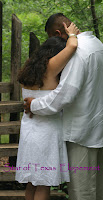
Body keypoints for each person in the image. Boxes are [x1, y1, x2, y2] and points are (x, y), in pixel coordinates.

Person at [24, 13, 103, 200]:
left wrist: (34, 105)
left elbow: (63, 96)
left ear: (58, 33)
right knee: (95, 191)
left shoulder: (78, 52)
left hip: (81, 134)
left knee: (81, 193)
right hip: (99, 128)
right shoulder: (96, 44)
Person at [15, 22, 79, 200]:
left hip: (29, 131)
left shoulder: (29, 69)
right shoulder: (51, 68)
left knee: (32, 182)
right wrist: (72, 33)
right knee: (43, 183)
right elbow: (73, 46)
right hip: (47, 133)